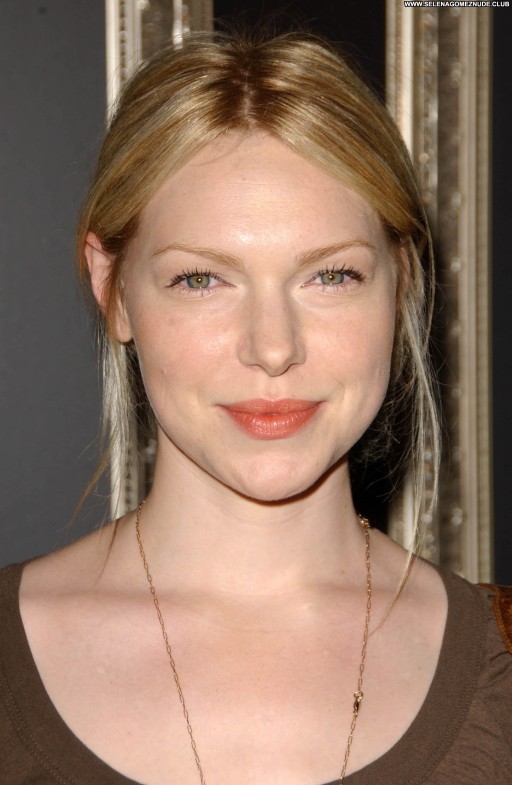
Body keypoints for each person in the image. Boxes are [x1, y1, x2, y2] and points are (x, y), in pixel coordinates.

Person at [0, 31, 510, 785]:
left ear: (400, 283)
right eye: (202, 280)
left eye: (331, 275)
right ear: (114, 290)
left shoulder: (498, 667)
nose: (273, 349)